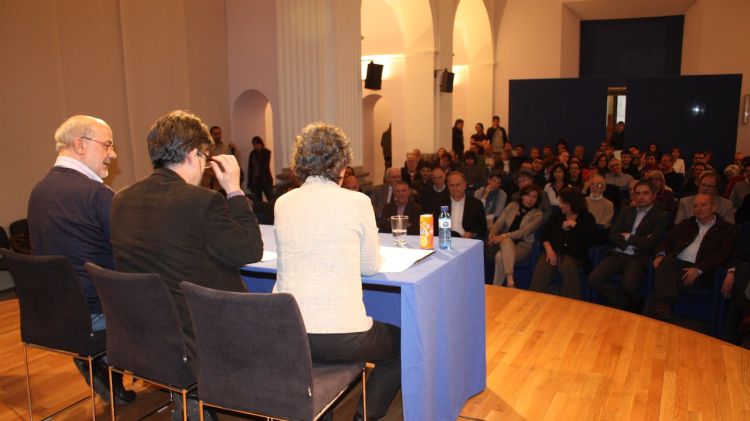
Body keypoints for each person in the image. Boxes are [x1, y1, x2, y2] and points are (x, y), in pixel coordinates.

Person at [111, 110, 263, 420]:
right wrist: (234, 190)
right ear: (194, 154)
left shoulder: (120, 200)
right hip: (200, 333)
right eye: (206, 157)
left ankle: (191, 395)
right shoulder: (202, 201)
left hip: (145, 333)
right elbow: (250, 250)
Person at [274, 122, 400, 421]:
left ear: (300, 163)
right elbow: (369, 265)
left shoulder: (282, 203)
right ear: (342, 164)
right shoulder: (357, 202)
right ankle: (363, 416)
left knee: (318, 355)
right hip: (344, 336)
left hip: (290, 332)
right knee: (401, 347)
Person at [27, 115, 136, 404]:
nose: (113, 154)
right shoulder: (97, 194)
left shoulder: (38, 192)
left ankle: (100, 361)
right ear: (80, 144)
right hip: (98, 313)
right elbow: (132, 252)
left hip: (56, 314)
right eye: (108, 145)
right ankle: (112, 359)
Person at [643, 194, 736, 320]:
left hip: (702, 272)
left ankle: (652, 315)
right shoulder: (686, 224)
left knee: (662, 279)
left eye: (703, 205)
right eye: (695, 206)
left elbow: (723, 254)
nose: (699, 209)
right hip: (676, 265)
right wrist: (660, 254)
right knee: (667, 261)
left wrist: (698, 269)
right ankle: (662, 309)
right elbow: (667, 241)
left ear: (713, 207)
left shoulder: (726, 229)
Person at [588, 181, 669, 310]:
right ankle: (628, 306)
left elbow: (650, 244)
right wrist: (637, 240)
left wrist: (629, 236)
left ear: (653, 195)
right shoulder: (627, 211)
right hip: (618, 252)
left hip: (638, 257)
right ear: (634, 196)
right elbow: (613, 234)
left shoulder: (660, 216)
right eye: (638, 194)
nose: (641, 197)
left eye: (645, 193)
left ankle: (625, 305)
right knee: (594, 278)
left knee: (629, 284)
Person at [529, 187, 597, 299]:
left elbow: (592, 238)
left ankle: (569, 302)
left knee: (567, 265)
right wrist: (549, 250)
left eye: (563, 203)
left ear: (572, 204)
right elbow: (544, 235)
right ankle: (534, 299)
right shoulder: (556, 216)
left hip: (575, 254)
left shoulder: (587, 218)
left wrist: (575, 225)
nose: (560, 205)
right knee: (544, 265)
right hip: (554, 250)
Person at [486, 185, 543, 287]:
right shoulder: (512, 206)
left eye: (534, 197)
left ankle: (498, 286)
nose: (531, 199)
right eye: (528, 195)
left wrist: (503, 236)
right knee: (506, 241)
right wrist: (492, 233)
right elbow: (499, 223)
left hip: (523, 246)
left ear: (537, 200)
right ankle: (510, 282)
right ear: (522, 196)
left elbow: (523, 232)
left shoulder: (537, 215)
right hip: (504, 244)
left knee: (500, 256)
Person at [445, 171, 487, 239]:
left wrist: (472, 234)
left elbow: (482, 229)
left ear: (464, 185)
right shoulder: (440, 203)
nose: (454, 188)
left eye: (457, 185)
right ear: (447, 186)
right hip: (445, 239)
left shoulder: (476, 204)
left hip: (466, 240)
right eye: (451, 185)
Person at [586, 175, 614, 244]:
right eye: (592, 185)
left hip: (599, 232)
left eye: (599, 185)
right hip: (584, 230)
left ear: (603, 188)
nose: (595, 187)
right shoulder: (583, 201)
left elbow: (606, 223)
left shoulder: (609, 204)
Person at [247, 135, 273, 202]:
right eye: (254, 144)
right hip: (256, 181)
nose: (255, 146)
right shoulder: (252, 154)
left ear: (260, 143)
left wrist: (258, 152)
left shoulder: (266, 152)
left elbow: (264, 164)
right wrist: (250, 182)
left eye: (256, 144)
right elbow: (250, 168)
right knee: (258, 201)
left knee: (270, 198)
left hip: (265, 180)